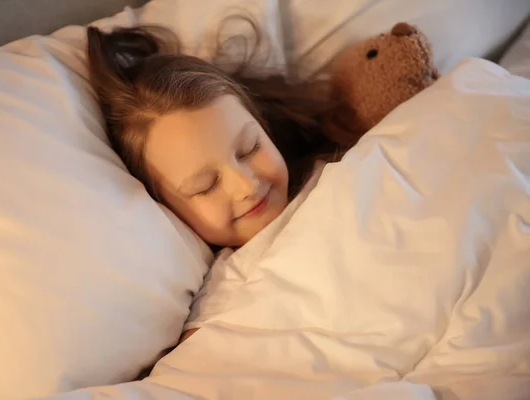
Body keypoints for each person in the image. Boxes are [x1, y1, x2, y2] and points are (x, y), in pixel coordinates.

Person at [86, 23, 354, 342]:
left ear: (262, 123)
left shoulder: (340, 168)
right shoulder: (228, 288)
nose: (247, 185)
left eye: (250, 148)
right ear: (167, 210)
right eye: (206, 186)